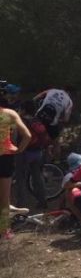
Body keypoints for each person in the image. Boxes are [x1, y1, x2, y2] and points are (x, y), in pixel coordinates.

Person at [0, 93, 31, 240]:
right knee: (4, 198)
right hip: (5, 157)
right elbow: (27, 136)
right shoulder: (10, 113)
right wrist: (19, 150)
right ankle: (4, 230)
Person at [14, 100, 51, 209]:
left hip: (24, 153)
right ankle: (43, 201)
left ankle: (20, 205)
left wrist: (16, 150)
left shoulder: (21, 121)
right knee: (37, 178)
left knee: (20, 179)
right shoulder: (37, 120)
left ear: (23, 110)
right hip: (37, 152)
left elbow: (16, 138)